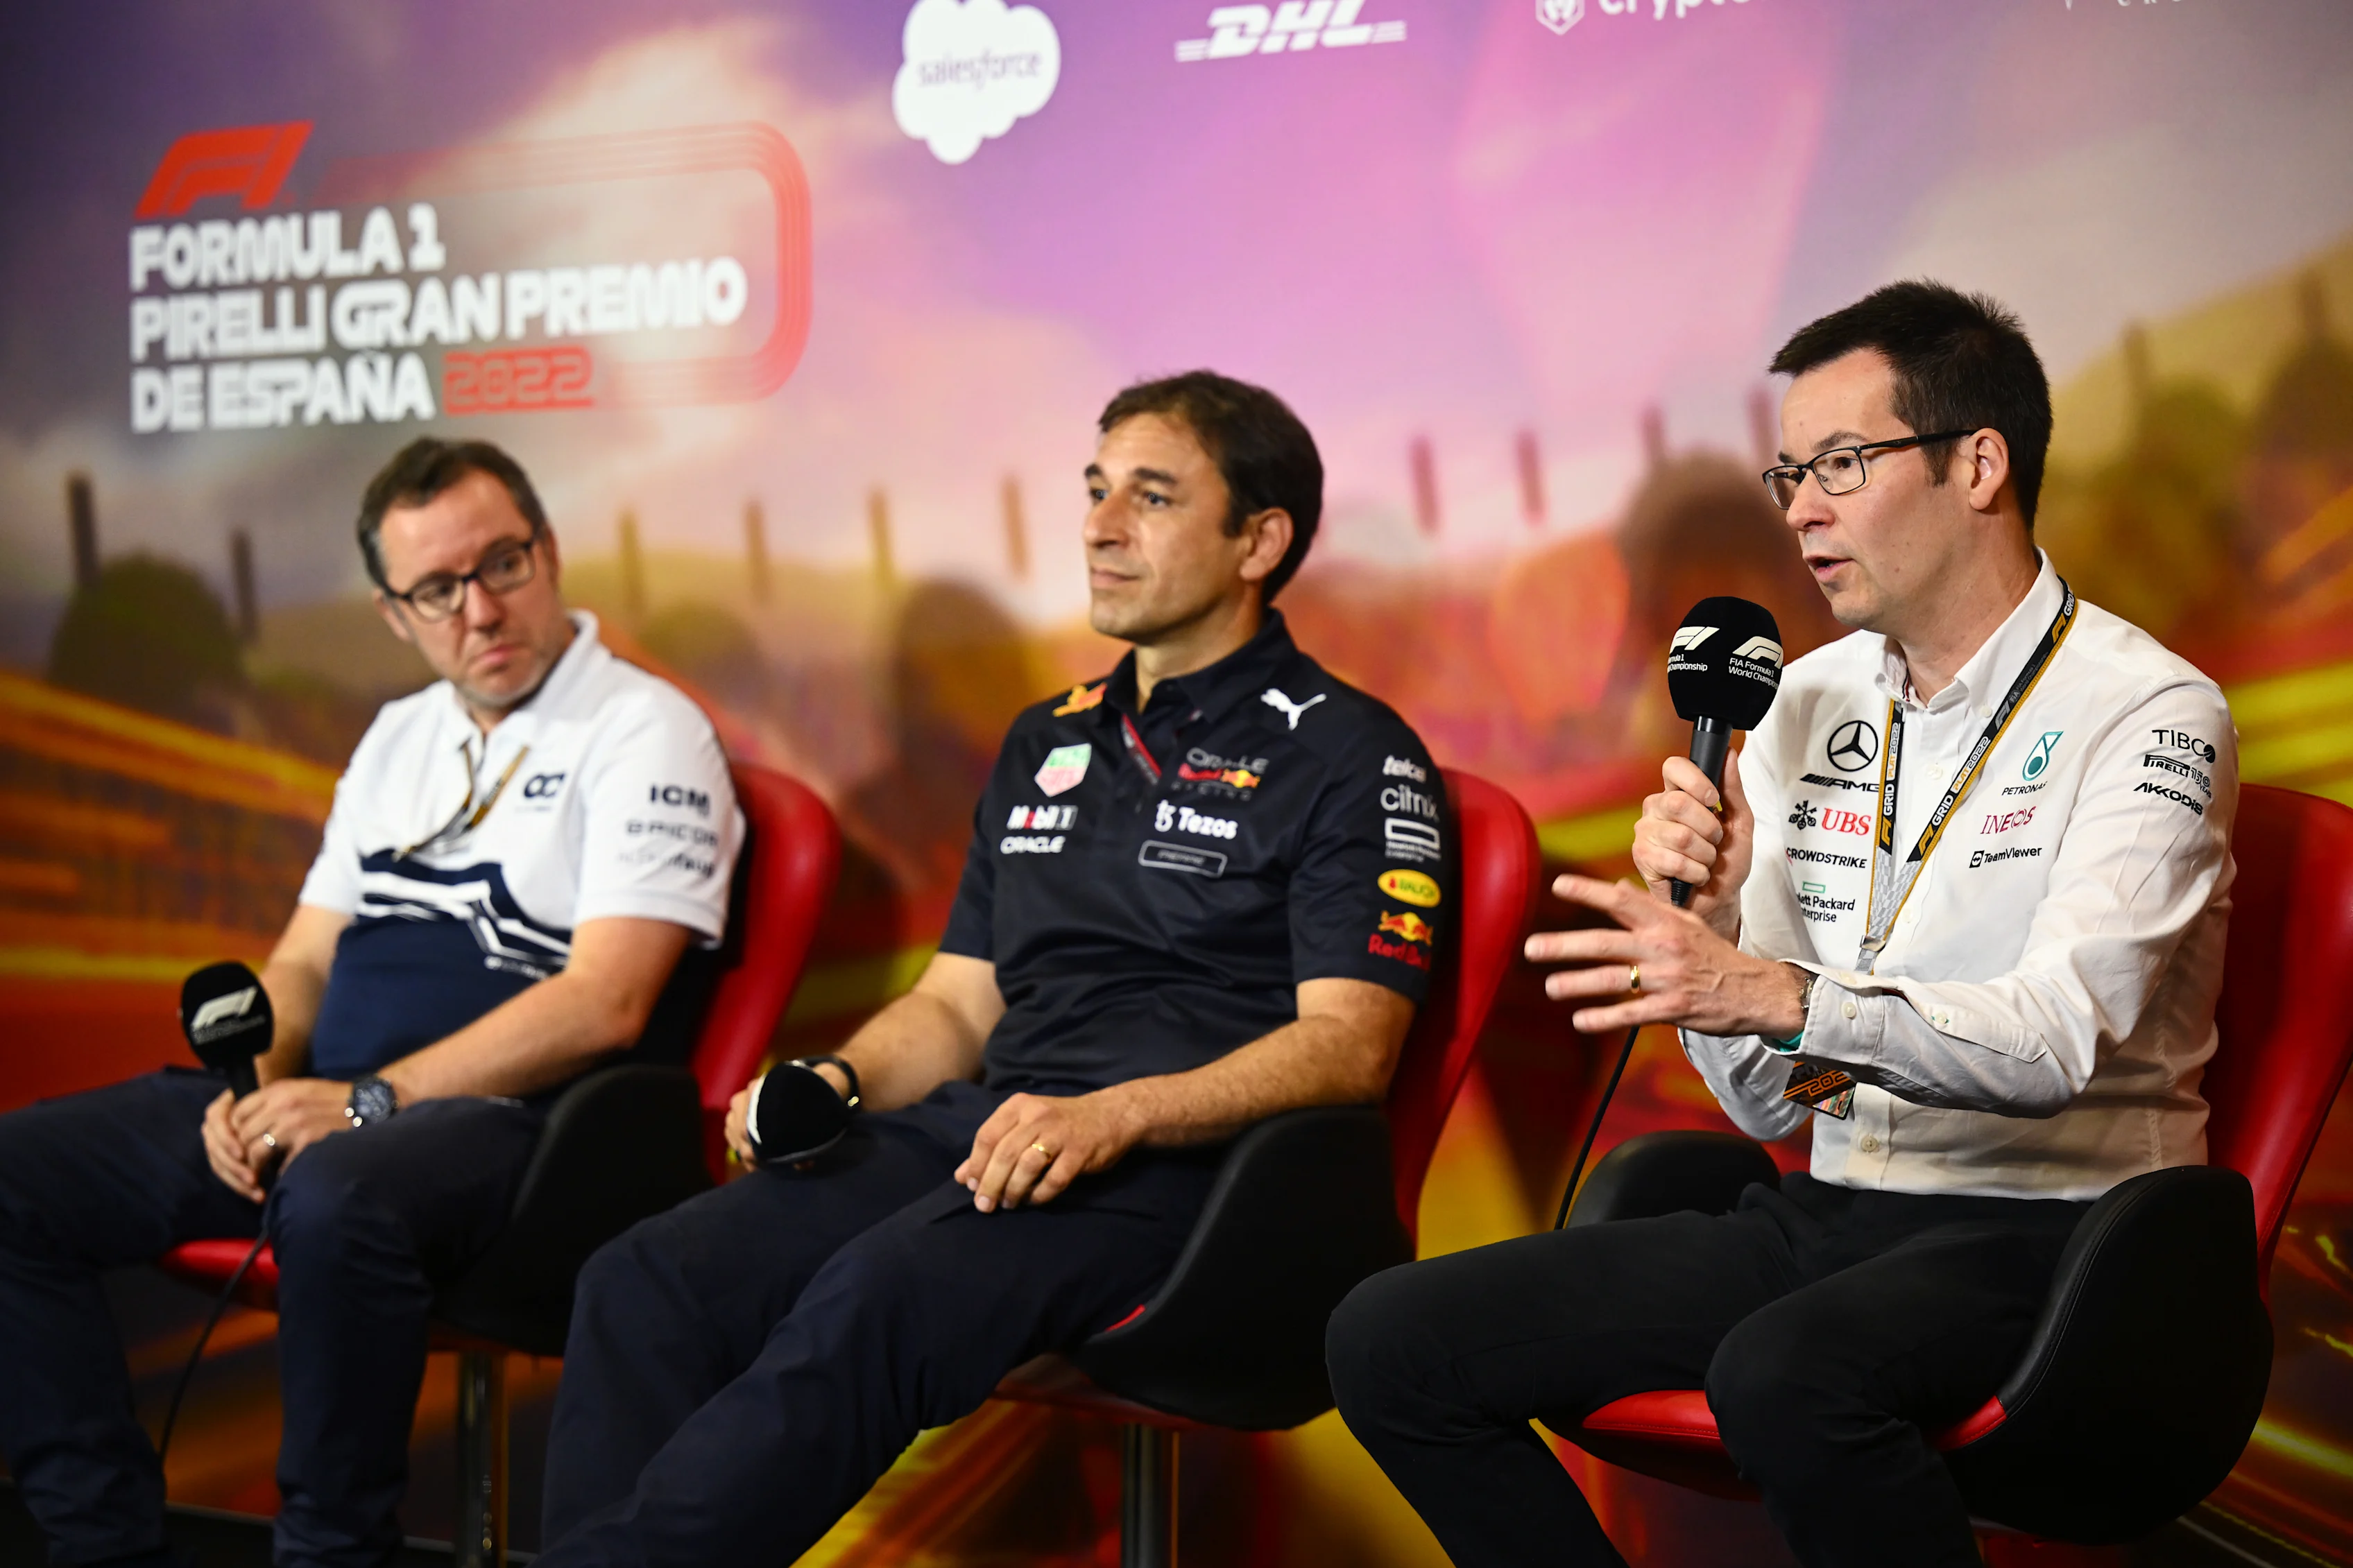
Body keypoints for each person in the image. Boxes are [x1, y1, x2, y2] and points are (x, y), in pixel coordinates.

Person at [1327, 282, 2237, 1567]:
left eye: (1844, 464)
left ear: (1979, 464)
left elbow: (2055, 1045)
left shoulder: (2149, 712)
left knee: (1784, 1374)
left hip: (2063, 1234)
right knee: (1388, 1339)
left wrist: (1769, 990)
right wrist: (1709, 941)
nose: (1802, 507)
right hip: (1839, 1209)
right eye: (1789, 472)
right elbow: (1770, 1107)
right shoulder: (1797, 701)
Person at [536, 371, 1451, 1563]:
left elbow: (1351, 1046)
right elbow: (957, 1003)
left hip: (1191, 1177)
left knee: (877, 1292)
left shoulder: (1350, 750)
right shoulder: (1045, 738)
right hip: (988, 1132)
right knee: (645, 1277)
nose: (1100, 525)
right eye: (1095, 488)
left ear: (1258, 542)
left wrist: (1119, 1116)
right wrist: (839, 1080)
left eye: (1154, 497)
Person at [0, 438, 742, 1568]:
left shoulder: (647, 730)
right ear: (396, 613)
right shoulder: (399, 735)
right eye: (437, 590)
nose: (479, 609)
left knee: (339, 1194)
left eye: (501, 564)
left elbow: (607, 1003)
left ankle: (329, 1552)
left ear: (547, 552)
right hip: (330, 1103)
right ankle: (102, 1541)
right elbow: (301, 959)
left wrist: (361, 1104)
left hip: (514, 1131)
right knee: (16, 1180)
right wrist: (251, 1090)